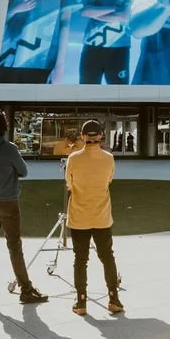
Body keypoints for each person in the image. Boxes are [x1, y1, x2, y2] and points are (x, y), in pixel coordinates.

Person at [0, 109, 49, 307]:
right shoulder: (9, 148)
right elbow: (23, 171)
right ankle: (26, 289)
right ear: (3, 126)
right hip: (7, 202)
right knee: (14, 246)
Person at [65, 119, 123, 315]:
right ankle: (114, 299)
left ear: (82, 136)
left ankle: (81, 302)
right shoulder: (109, 158)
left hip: (79, 216)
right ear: (100, 136)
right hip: (101, 216)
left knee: (80, 259)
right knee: (107, 257)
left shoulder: (73, 158)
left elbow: (69, 185)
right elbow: (109, 180)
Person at [79, 0, 132, 84]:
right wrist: (115, 7)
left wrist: (95, 13)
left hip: (119, 47)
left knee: (119, 94)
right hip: (92, 45)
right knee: (87, 91)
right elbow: (84, 11)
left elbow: (124, 16)